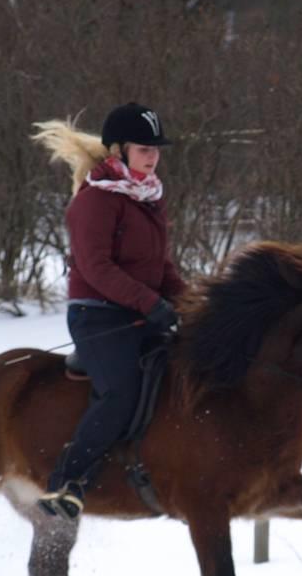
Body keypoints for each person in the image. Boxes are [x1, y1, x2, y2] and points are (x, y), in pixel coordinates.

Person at [32, 103, 188, 519]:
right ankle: (67, 481)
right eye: (143, 148)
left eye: (156, 149)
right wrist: (151, 302)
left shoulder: (149, 198)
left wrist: (189, 301)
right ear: (117, 150)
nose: (152, 156)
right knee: (121, 391)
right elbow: (97, 268)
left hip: (141, 310)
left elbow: (161, 266)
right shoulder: (95, 202)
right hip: (98, 314)